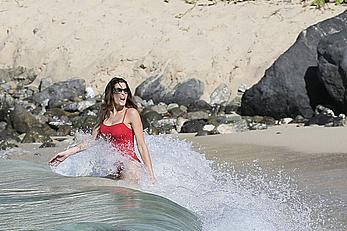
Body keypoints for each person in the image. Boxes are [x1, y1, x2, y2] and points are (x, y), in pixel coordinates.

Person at [49, 77, 155, 182]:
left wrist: (150, 175)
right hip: (114, 169)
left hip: (131, 167)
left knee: (127, 198)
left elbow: (141, 145)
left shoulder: (131, 113)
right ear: (111, 94)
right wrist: (67, 153)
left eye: (125, 90)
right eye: (119, 90)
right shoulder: (104, 114)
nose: (123, 93)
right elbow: (91, 141)